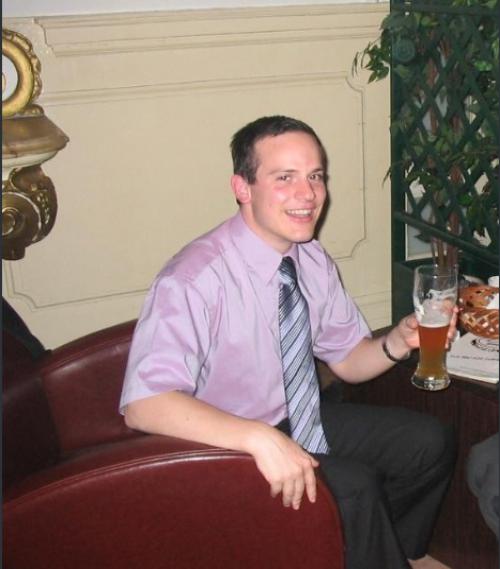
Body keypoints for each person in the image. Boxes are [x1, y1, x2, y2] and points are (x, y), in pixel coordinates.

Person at [120, 115, 456, 569]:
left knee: (429, 443)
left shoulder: (310, 259)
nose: (308, 194)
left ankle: (367, 549)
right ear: (242, 188)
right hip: (222, 446)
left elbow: (348, 360)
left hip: (296, 420)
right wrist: (256, 438)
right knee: (354, 488)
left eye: (316, 176)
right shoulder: (194, 279)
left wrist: (398, 340)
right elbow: (144, 404)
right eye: (285, 178)